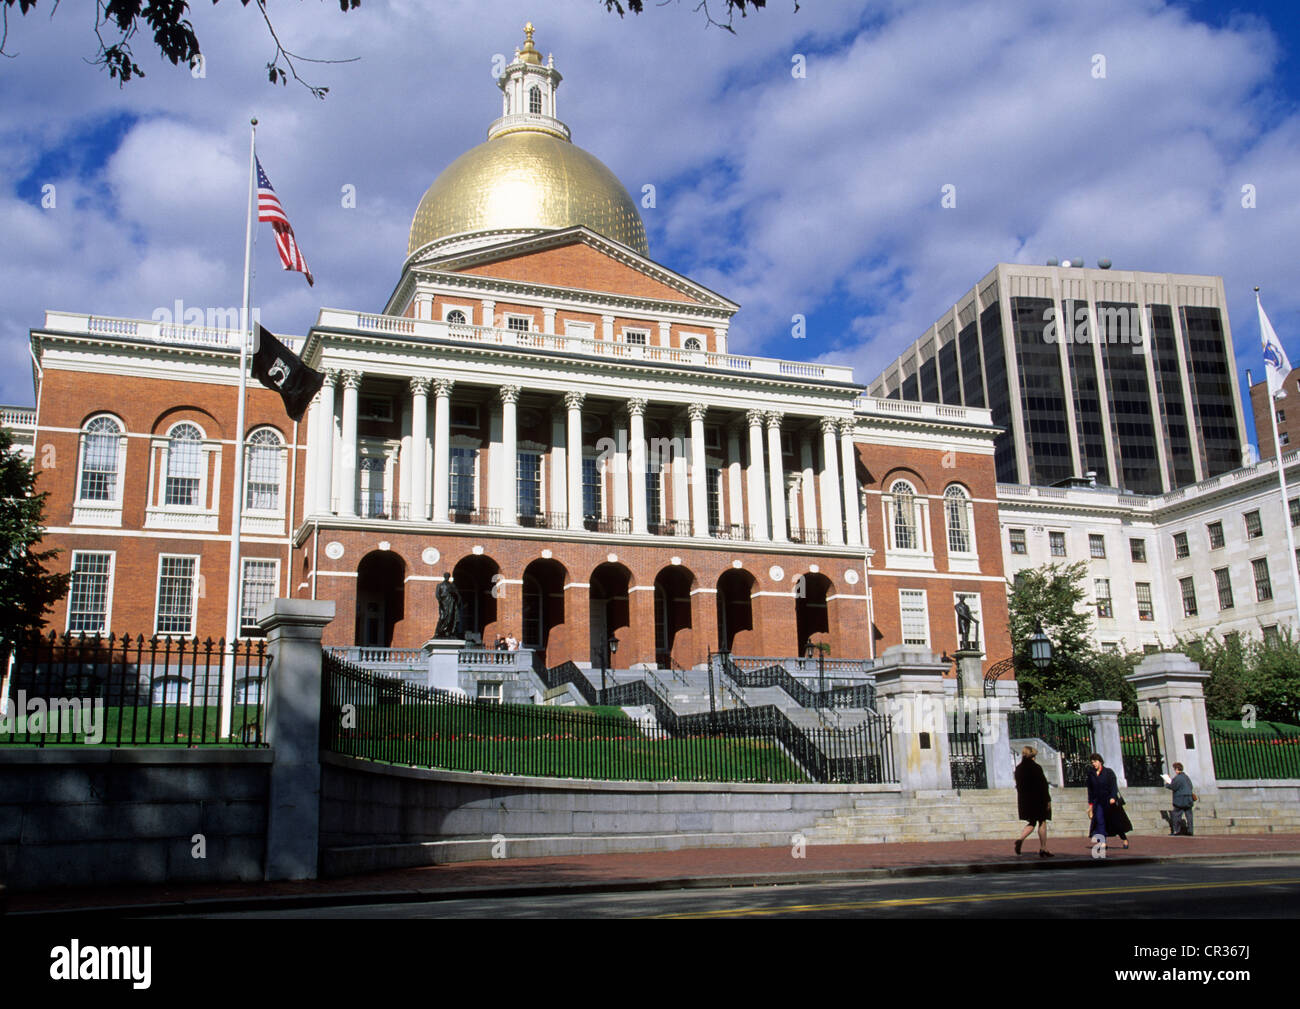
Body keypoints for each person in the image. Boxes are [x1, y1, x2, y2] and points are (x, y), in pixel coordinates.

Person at [1085, 752, 1133, 850]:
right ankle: (1103, 842)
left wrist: (1113, 797)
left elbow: (1114, 787)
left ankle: (1124, 838)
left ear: (1100, 761)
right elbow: (1090, 790)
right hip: (1097, 801)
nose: (1093, 764)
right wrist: (1090, 804)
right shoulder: (1091, 774)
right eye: (1092, 762)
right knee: (1100, 821)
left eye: (1095, 762)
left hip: (1108, 801)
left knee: (1116, 822)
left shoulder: (1109, 772)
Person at [1013, 745, 1053, 857]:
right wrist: (1048, 800)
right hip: (1039, 799)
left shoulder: (1019, 768)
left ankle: (1021, 839)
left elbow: (1018, 785)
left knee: (1031, 822)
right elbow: (1043, 785)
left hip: (1025, 800)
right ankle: (1043, 848)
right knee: (1042, 821)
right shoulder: (1036, 768)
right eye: (1034, 756)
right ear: (1032, 756)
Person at [1164, 762, 1197, 836]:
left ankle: (1176, 830)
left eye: (1174, 769)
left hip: (1180, 798)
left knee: (1176, 814)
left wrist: (1167, 782)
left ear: (1176, 769)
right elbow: (1190, 786)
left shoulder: (1178, 778)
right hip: (1188, 798)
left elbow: (1173, 786)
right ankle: (1190, 830)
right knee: (1189, 815)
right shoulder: (1186, 777)